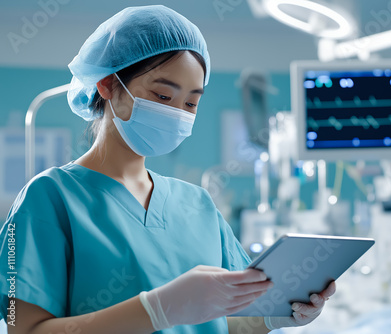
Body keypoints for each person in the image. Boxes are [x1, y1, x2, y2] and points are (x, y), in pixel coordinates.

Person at [0, 5, 336, 334]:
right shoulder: (49, 199)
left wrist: (272, 318)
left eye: (191, 103)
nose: (178, 113)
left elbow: (226, 323)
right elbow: (24, 329)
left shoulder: (198, 205)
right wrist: (156, 310)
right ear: (107, 85)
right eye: (163, 96)